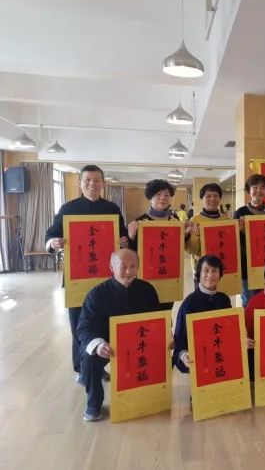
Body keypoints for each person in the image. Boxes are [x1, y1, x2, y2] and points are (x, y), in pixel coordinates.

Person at [45, 164, 129, 382]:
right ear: (79, 183)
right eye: (87, 180)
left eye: (96, 180)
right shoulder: (68, 209)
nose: (92, 184)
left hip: (107, 278)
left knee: (104, 322)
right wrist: (52, 243)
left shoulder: (112, 209)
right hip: (77, 279)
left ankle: (98, 367)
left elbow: (123, 237)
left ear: (103, 183)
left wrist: (124, 241)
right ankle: (82, 369)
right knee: (79, 326)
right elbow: (52, 234)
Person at [76, 249, 160, 421]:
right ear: (111, 267)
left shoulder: (147, 290)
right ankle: (94, 404)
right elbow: (84, 328)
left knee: (162, 352)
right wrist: (98, 344)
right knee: (89, 359)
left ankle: (151, 393)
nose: (128, 272)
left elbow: (157, 320)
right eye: (123, 267)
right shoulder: (96, 294)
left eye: (133, 266)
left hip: (139, 343)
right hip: (108, 345)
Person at [173, 255, 232, 373]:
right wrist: (184, 356)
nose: (210, 275)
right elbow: (179, 340)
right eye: (206, 271)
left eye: (214, 271)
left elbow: (230, 331)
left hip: (221, 362)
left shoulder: (224, 299)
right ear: (199, 274)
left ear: (220, 274)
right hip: (200, 364)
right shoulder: (189, 303)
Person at [233, 174, 265, 307]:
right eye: (255, 187)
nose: (259, 191)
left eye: (262, 187)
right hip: (247, 267)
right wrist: (238, 230)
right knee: (249, 303)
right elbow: (233, 241)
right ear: (249, 190)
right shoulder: (240, 212)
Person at [127, 179, 179, 252]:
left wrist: (186, 233)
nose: (163, 198)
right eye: (158, 194)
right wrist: (131, 237)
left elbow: (179, 244)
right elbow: (133, 251)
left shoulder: (175, 219)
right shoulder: (140, 222)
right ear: (150, 197)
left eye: (166, 195)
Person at [185, 183, 226, 271]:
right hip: (202, 267)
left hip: (221, 264)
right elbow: (191, 250)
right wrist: (196, 235)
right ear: (202, 199)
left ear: (220, 198)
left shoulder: (226, 219)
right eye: (208, 196)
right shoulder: (195, 220)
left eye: (215, 196)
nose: (212, 199)